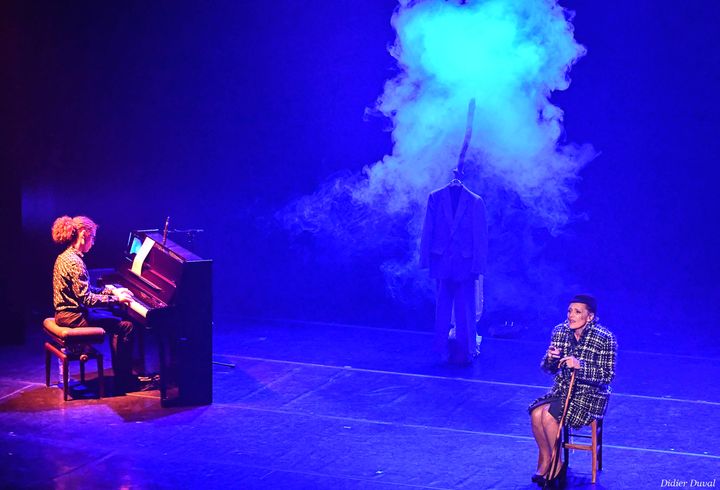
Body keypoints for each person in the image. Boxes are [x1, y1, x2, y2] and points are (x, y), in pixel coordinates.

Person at [528, 294, 617, 485]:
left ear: (590, 316)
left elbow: (607, 376)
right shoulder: (560, 331)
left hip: (589, 396)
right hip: (562, 391)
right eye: (570, 311)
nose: (571, 315)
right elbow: (548, 369)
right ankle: (549, 460)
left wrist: (580, 366)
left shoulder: (605, 338)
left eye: (577, 312)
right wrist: (551, 358)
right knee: (536, 414)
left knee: (548, 415)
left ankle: (555, 467)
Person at [51, 215, 137, 393]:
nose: (94, 242)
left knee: (115, 318)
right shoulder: (75, 263)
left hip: (65, 314)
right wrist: (116, 299)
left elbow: (86, 290)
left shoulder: (65, 256)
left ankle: (122, 376)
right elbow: (87, 300)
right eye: (93, 237)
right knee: (126, 326)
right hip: (73, 317)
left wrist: (112, 292)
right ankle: (124, 380)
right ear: (84, 234)